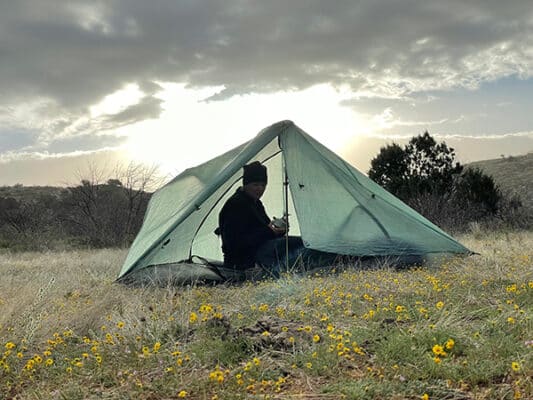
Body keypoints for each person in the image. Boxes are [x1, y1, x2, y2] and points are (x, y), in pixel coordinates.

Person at [216, 161, 304, 279]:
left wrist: (279, 230)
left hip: (262, 249)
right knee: (301, 245)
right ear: (246, 184)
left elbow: (265, 229)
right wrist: (270, 232)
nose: (260, 189)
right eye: (256, 185)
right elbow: (234, 243)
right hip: (244, 259)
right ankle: (277, 276)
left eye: (263, 185)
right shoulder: (236, 205)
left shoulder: (255, 203)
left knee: (302, 242)